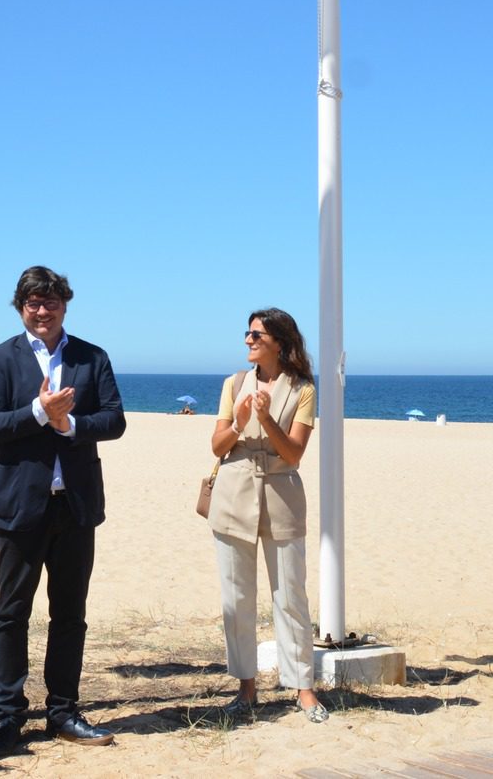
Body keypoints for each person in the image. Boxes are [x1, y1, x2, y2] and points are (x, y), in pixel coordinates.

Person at [0, 266, 127, 760]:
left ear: (65, 305)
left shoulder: (91, 356)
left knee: (70, 614)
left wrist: (69, 424)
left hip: (75, 505)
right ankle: (8, 717)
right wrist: (40, 413)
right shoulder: (0, 359)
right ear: (21, 307)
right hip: (19, 506)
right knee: (11, 613)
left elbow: (115, 419)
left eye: (51, 302)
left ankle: (63, 711)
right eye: (33, 303)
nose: (42, 311)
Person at [208, 308, 326, 723]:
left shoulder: (303, 389)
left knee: (291, 596)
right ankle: (246, 686)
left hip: (281, 494)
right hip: (233, 493)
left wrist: (266, 419)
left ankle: (303, 688)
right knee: (236, 596)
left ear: (279, 341)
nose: (248, 340)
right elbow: (217, 446)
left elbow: (294, 452)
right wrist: (240, 423)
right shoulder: (234, 383)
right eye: (248, 333)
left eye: (256, 335)